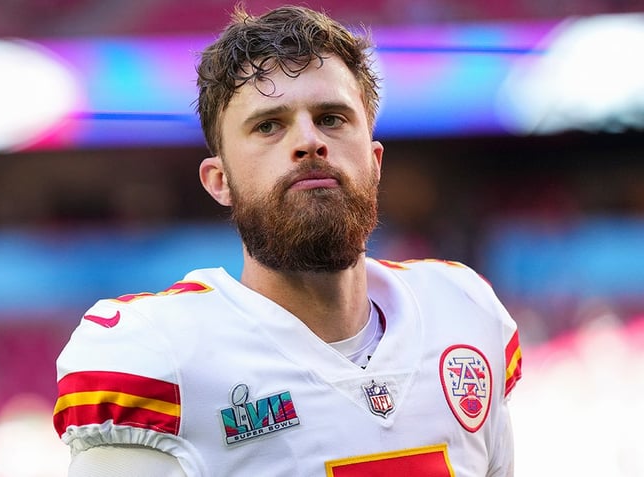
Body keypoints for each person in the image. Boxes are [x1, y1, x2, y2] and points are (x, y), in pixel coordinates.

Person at [53, 5, 522, 476]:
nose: (309, 141)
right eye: (268, 125)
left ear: (375, 161)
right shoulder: (160, 355)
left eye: (332, 118)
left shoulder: (463, 311)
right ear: (220, 180)